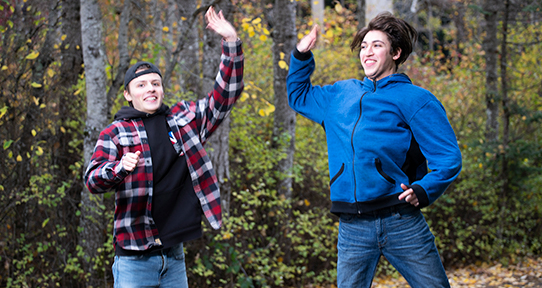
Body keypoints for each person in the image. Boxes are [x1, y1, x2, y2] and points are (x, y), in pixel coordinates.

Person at [287, 12, 462, 288]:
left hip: (401, 220)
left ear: (396, 53)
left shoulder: (416, 99)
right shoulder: (340, 95)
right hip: (352, 227)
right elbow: (298, 96)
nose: (367, 52)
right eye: (364, 46)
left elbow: (448, 157)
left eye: (377, 45)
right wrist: (300, 55)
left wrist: (424, 189)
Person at [84, 6, 243, 288]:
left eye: (155, 83)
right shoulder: (116, 133)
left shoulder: (183, 121)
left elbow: (224, 98)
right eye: (141, 84)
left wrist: (231, 42)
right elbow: (92, 180)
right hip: (133, 259)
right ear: (128, 95)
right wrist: (119, 168)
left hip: (173, 256)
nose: (150, 89)